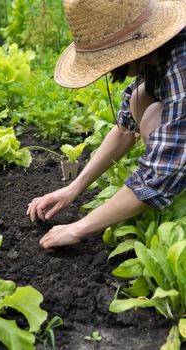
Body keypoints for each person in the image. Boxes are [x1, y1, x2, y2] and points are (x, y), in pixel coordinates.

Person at [27, 0, 186, 249]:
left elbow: (158, 175)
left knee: (154, 114)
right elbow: (125, 130)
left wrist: (79, 227)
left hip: (167, 169)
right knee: (139, 99)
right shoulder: (157, 53)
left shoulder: (183, 64)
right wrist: (74, 187)